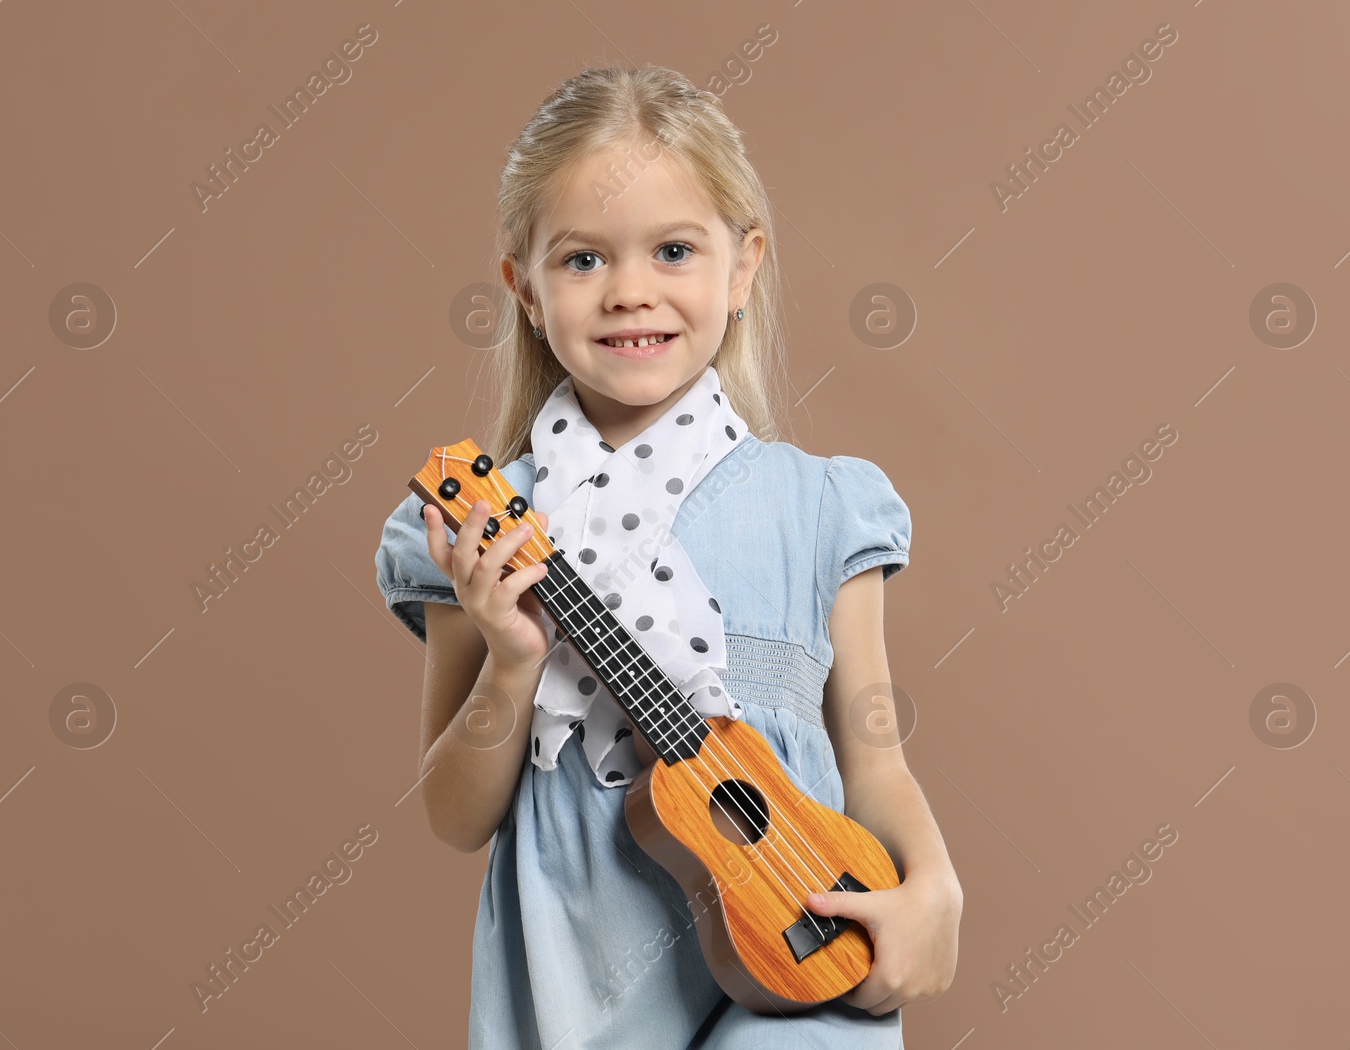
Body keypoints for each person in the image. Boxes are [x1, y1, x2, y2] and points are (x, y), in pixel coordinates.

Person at [374, 64, 962, 1049]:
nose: (630, 291)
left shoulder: (821, 506)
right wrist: (512, 659)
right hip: (579, 978)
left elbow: (873, 758)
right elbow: (452, 812)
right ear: (523, 287)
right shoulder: (486, 522)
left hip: (802, 936)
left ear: (742, 267)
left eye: (674, 249)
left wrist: (934, 887)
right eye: (583, 261)